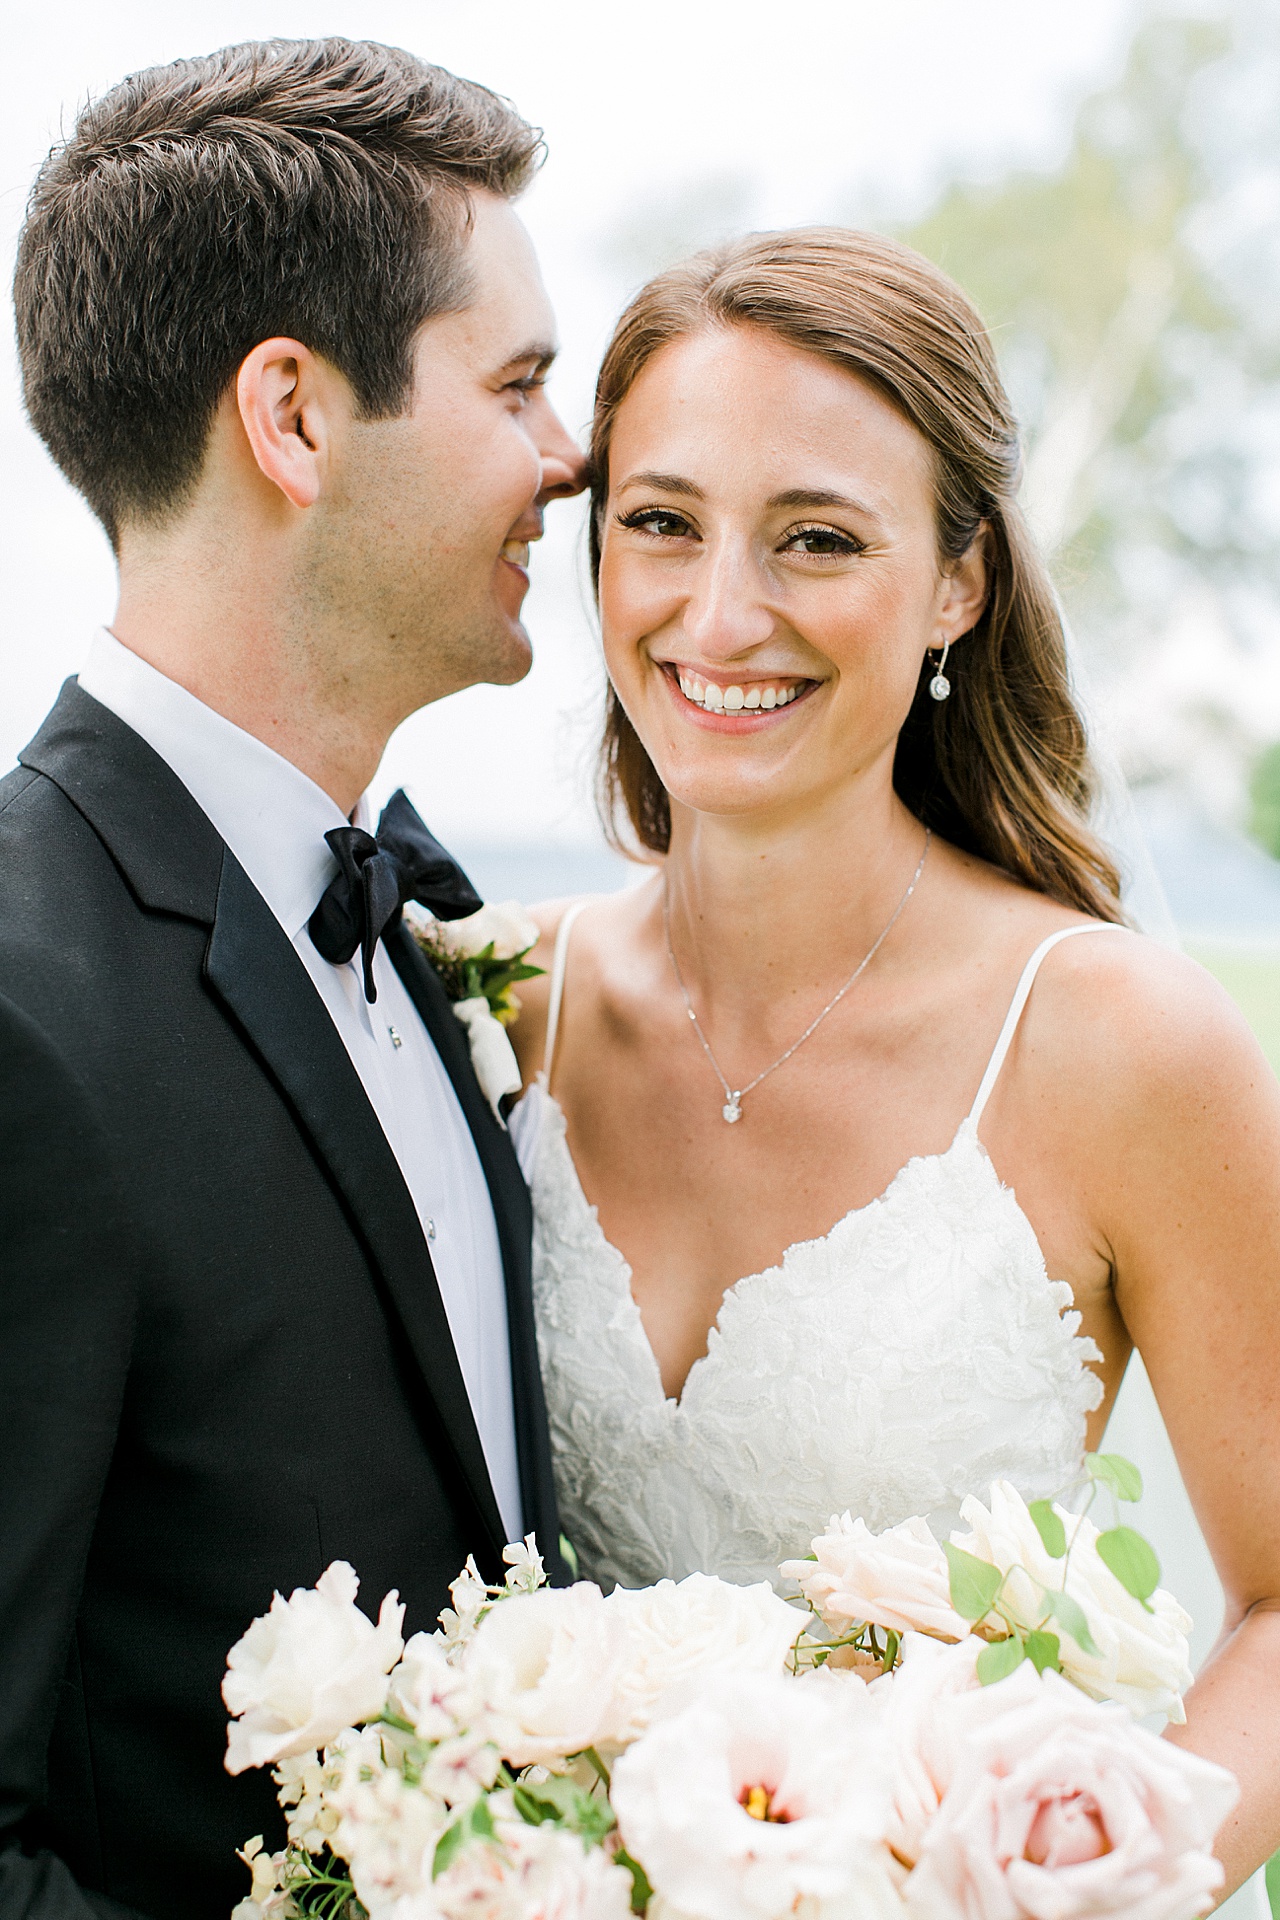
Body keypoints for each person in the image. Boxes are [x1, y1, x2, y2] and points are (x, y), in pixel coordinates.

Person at [508, 228, 1280, 1895]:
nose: (723, 613)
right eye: (660, 523)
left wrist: (1061, 1887)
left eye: (818, 539)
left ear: (958, 582)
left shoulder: (1125, 1050)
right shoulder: (498, 1007)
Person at [0, 38, 585, 1920]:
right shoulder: (21, 1012)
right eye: (517, 385)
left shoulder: (423, 925)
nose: (569, 457)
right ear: (296, 417)